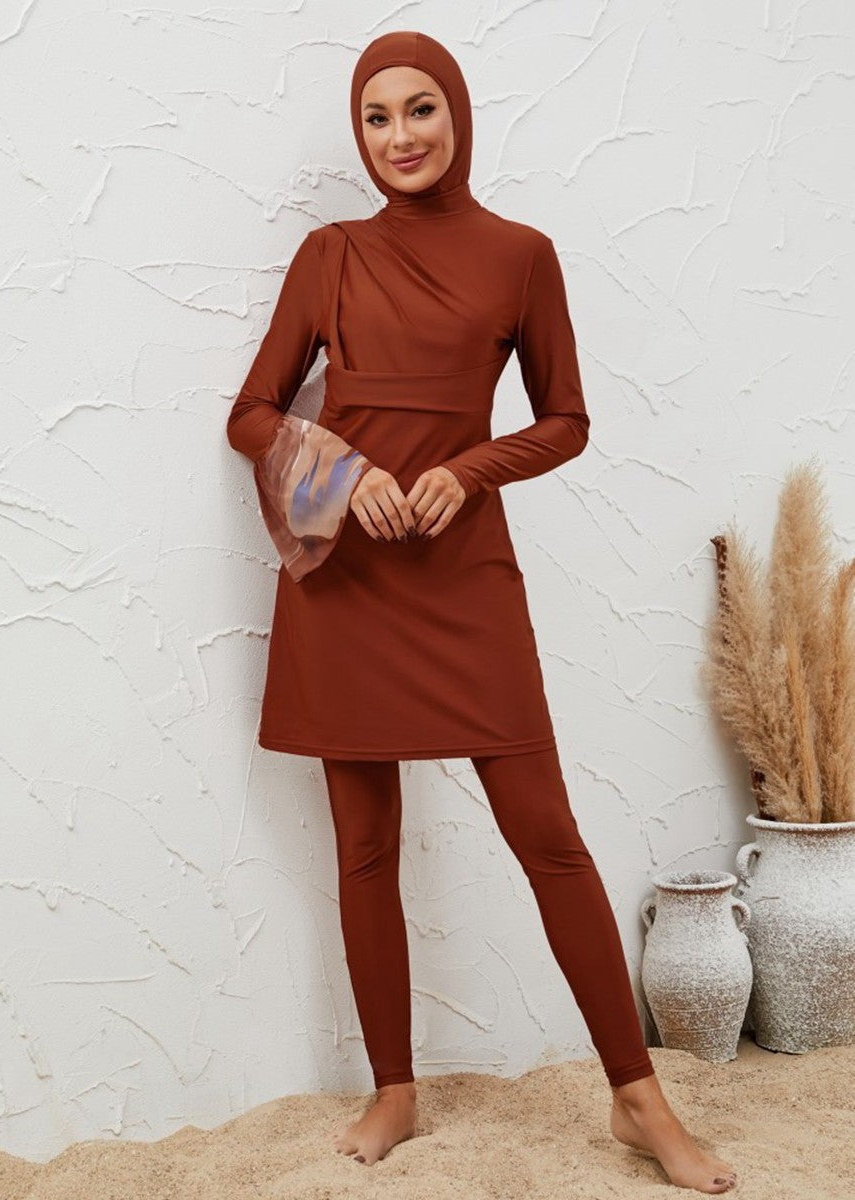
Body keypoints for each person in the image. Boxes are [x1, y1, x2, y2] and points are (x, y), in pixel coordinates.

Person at [226, 30, 738, 1195]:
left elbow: (567, 419)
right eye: (376, 117)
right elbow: (252, 413)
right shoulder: (330, 255)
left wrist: (470, 470)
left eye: (420, 109)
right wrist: (344, 474)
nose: (399, 136)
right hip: (346, 582)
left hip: (464, 575)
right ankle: (394, 1089)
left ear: (457, 113)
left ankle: (637, 1097)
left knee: (546, 833)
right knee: (364, 845)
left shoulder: (521, 256)